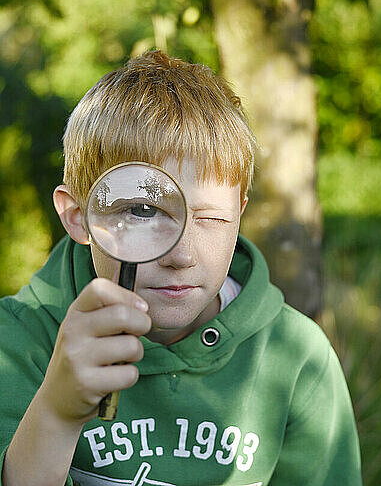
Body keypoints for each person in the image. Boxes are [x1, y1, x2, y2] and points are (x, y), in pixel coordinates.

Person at [0, 50, 362, 486]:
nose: (183, 255)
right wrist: (56, 412)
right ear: (79, 216)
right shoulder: (15, 343)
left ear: (240, 213)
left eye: (211, 219)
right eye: (143, 212)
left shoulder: (298, 358)